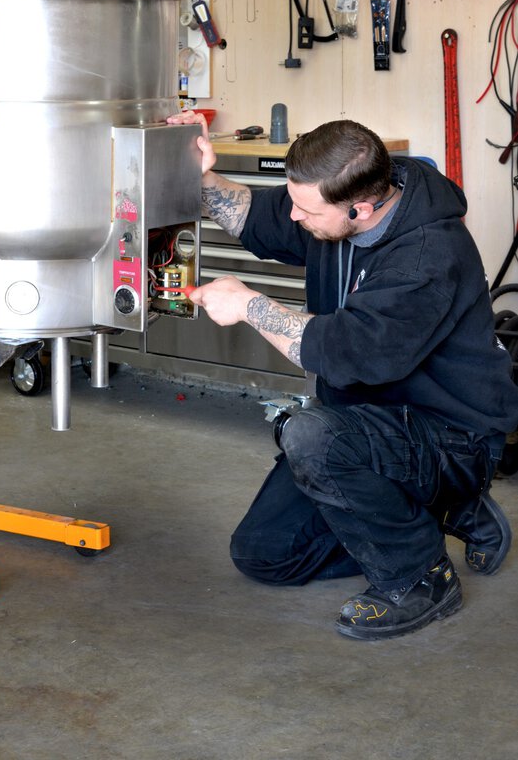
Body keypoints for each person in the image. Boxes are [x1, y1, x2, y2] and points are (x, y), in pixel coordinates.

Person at [167, 113, 518, 640]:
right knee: (264, 555)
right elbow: (258, 219)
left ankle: (421, 576)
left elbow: (344, 352)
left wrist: (250, 305)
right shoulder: (340, 207)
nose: (293, 215)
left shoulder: (427, 257)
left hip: (450, 435)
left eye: (305, 210)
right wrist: (201, 179)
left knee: (310, 434)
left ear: (359, 208)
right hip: (365, 427)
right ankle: (433, 513)